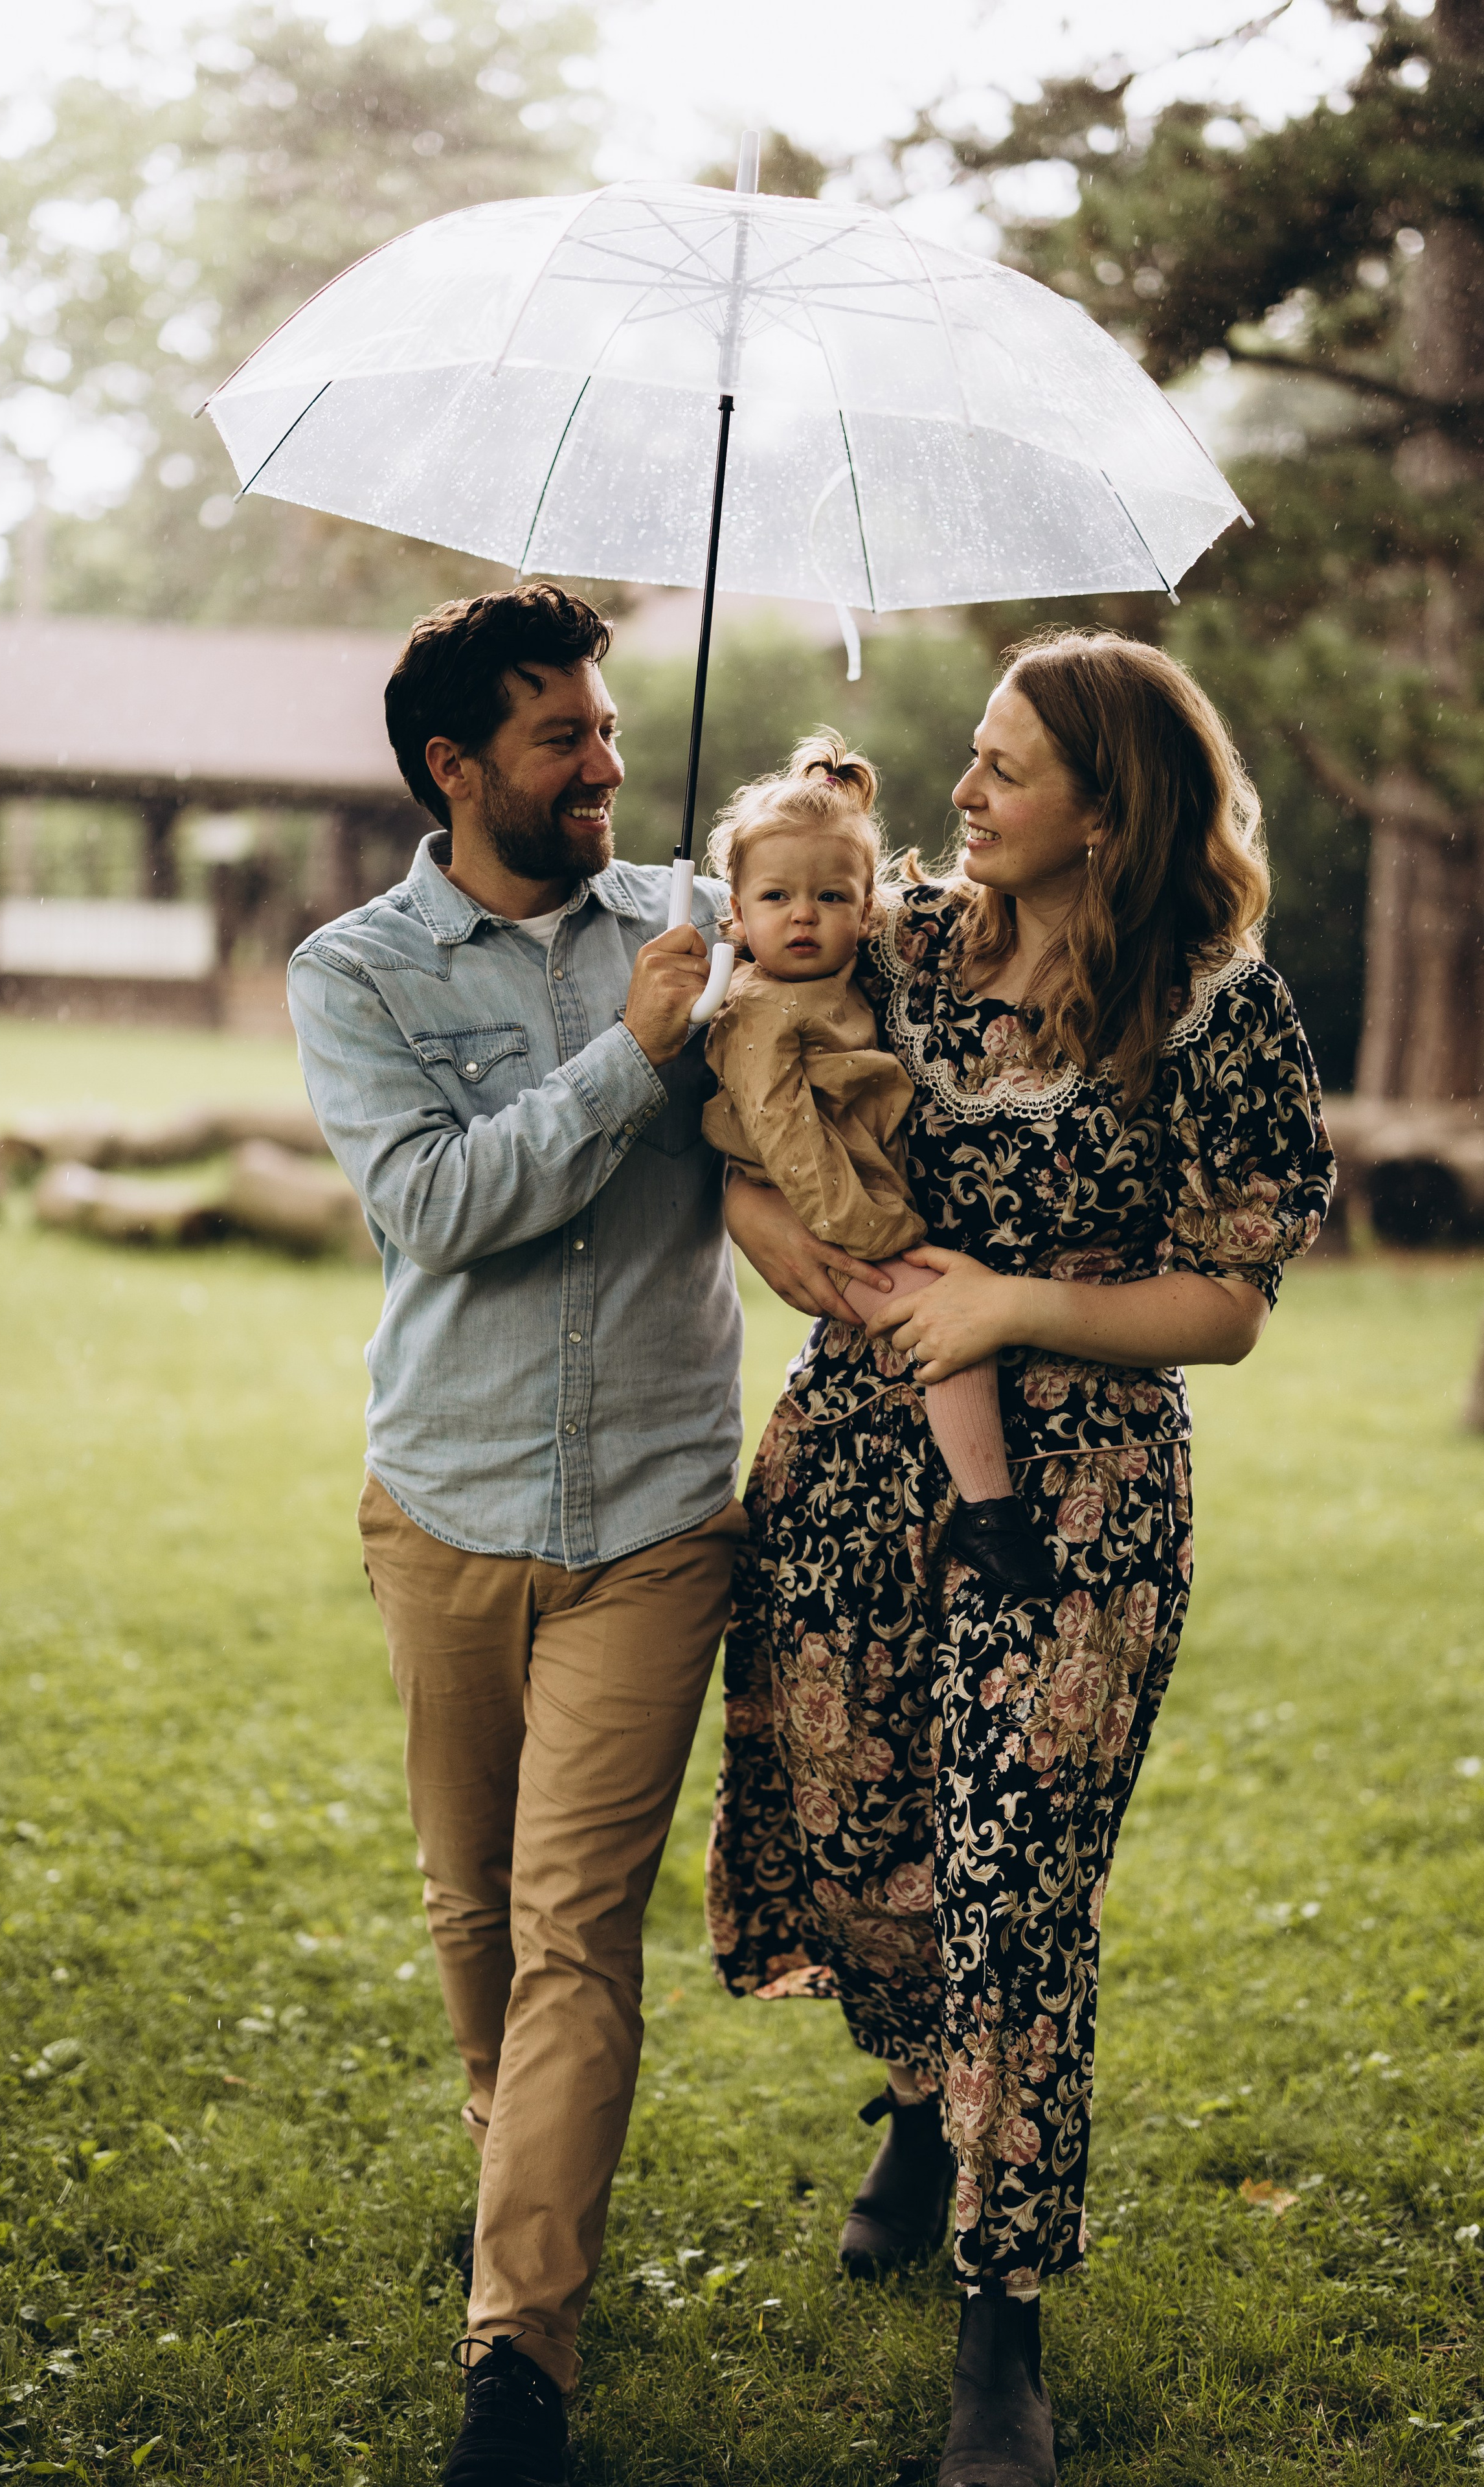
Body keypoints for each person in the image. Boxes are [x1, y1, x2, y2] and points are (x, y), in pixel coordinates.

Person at [708, 630, 1336, 2487]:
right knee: (849, 1829)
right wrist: (807, 1256)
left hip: (1081, 1498)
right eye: (972, 761)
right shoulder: (894, 948)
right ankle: (921, 2102)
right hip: (851, 1455)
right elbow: (735, 1134)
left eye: (1004, 770)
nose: (962, 792)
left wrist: (1015, 1307)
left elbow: (1228, 1301)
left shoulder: (1214, 1004)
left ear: (1105, 810)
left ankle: (1004, 2345)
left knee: (1019, 1887)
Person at [287, 582, 745, 2487]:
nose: (608, 765)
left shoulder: (699, 937)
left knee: (574, 1928)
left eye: (614, 728)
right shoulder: (359, 972)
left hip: (656, 1512)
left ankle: (518, 2361)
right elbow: (442, 1206)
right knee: (472, 1907)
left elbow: (804, 1146)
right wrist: (627, 1061)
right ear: (453, 765)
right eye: (562, 737)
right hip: (452, 1499)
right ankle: (518, 2164)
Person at [701, 730, 1053, 1596]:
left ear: (869, 913)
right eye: (776, 897)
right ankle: (990, 1508)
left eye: (831, 896)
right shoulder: (760, 1013)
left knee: (946, 1323)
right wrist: (879, 1233)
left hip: (854, 1194)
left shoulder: (842, 973)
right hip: (832, 1215)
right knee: (946, 1326)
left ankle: (980, 1499)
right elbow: (789, 1141)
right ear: (736, 916)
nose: (804, 916)